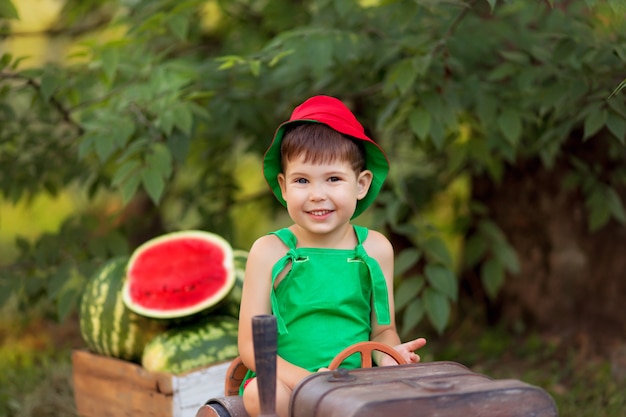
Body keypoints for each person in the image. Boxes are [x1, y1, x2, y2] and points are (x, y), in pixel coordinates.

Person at [238, 95, 427, 417]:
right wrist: (309, 383)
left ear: (361, 184)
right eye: (301, 180)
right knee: (260, 394)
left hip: (357, 381)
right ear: (283, 187)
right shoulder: (269, 251)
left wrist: (389, 355)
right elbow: (252, 348)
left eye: (334, 179)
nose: (317, 195)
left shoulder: (375, 249)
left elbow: (382, 329)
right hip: (288, 381)